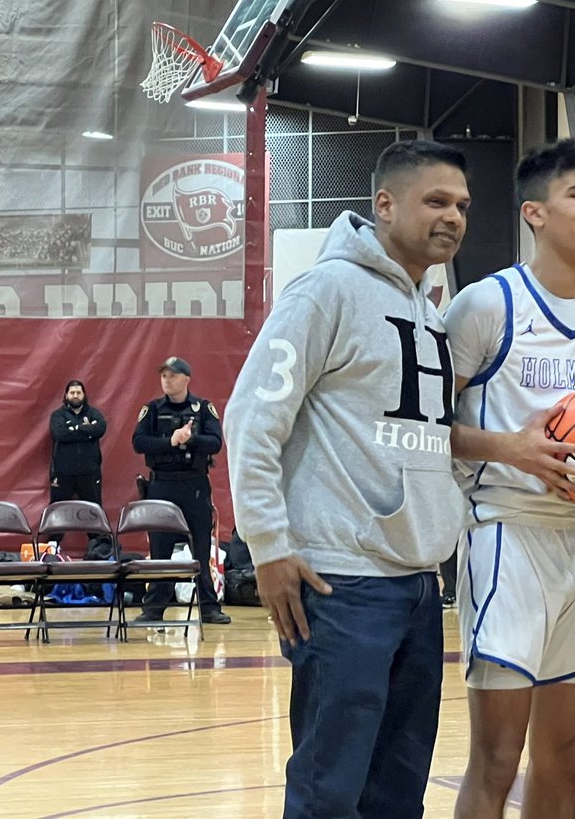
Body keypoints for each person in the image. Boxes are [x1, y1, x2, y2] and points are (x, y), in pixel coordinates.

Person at [225, 140, 470, 818]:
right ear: (384, 204)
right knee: (329, 793)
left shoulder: (429, 310)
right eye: (436, 201)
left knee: (397, 795)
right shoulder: (325, 291)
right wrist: (269, 547)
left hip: (419, 587)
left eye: (461, 206)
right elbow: (251, 419)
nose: (452, 217)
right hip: (341, 583)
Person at [446, 139, 575, 819]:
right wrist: (509, 447)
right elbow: (417, 428)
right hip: (507, 537)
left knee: (568, 753)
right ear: (535, 212)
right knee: (496, 759)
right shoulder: (485, 306)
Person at [132, 356, 230, 625]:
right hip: (162, 483)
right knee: (161, 549)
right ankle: (154, 609)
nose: (167, 380)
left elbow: (215, 443)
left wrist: (192, 439)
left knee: (200, 548)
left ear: (186, 379)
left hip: (194, 484)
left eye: (173, 376)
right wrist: (171, 441)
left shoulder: (203, 409)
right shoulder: (151, 409)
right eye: (164, 376)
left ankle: (209, 607)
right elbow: (139, 443)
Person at [49, 379, 106, 507]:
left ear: (84, 395)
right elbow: (60, 434)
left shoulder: (94, 414)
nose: (75, 395)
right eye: (72, 392)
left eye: (78, 392)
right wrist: (88, 430)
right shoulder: (57, 416)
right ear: (66, 395)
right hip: (63, 473)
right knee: (58, 512)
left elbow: (101, 429)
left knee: (94, 513)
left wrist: (74, 428)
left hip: (89, 473)